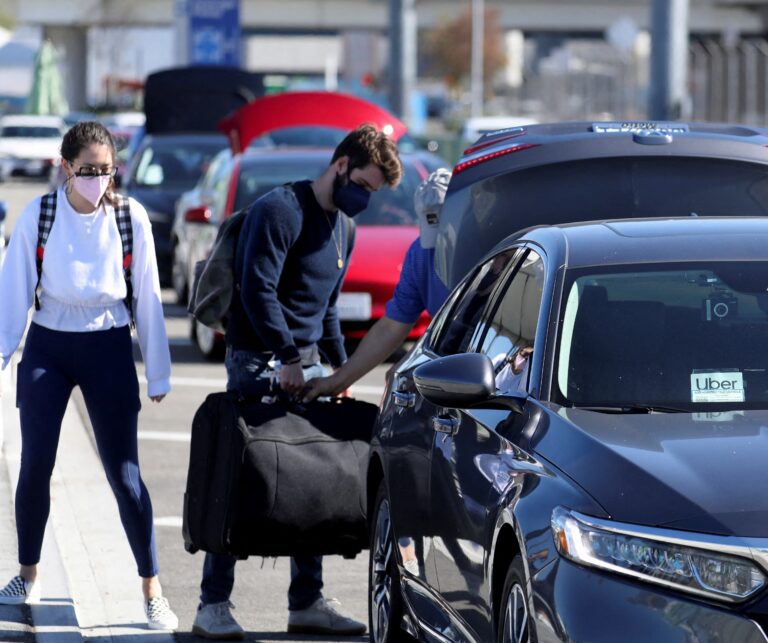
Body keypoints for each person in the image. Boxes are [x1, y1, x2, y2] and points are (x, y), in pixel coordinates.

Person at [192, 124, 403, 640]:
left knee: (310, 479)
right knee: (242, 476)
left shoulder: (344, 230)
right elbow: (258, 291)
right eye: (365, 186)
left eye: (374, 193)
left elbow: (327, 307)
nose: (365, 199)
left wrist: (337, 372)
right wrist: (286, 356)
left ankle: (306, 600)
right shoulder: (279, 210)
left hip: (305, 364)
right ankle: (212, 604)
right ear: (340, 166)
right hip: (259, 360)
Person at [0, 121, 178, 630]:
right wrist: (3, 351)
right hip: (48, 346)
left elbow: (147, 294)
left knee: (124, 475)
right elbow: (14, 287)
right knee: (35, 463)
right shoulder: (41, 213)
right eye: (88, 171)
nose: (98, 181)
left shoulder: (129, 217)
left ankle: (152, 588)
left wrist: (158, 373)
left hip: (108, 345)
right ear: (65, 167)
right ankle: (27, 574)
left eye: (106, 171)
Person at [303, 167, 452, 402]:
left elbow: (469, 328)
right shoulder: (422, 254)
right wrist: (337, 381)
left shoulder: (491, 256)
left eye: (445, 235)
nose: (438, 247)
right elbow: (391, 327)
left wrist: (415, 361)